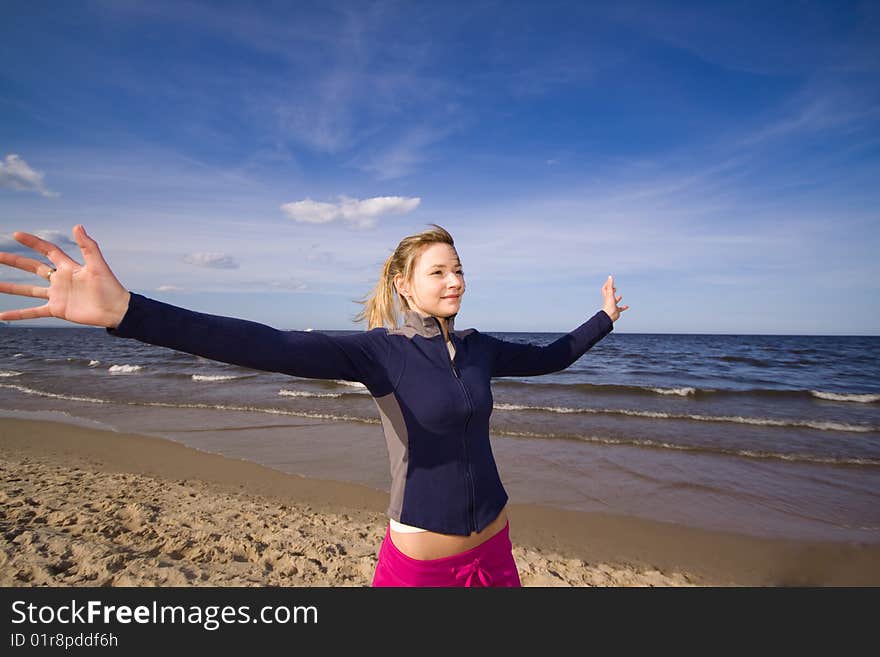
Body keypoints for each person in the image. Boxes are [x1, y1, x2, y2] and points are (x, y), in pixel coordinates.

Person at [0, 223, 628, 587]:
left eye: (459, 269)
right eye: (438, 271)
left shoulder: (481, 349)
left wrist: (603, 319)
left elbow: (554, 356)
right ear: (404, 285)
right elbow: (263, 343)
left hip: (495, 552)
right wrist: (129, 313)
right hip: (420, 567)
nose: (455, 280)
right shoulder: (379, 353)